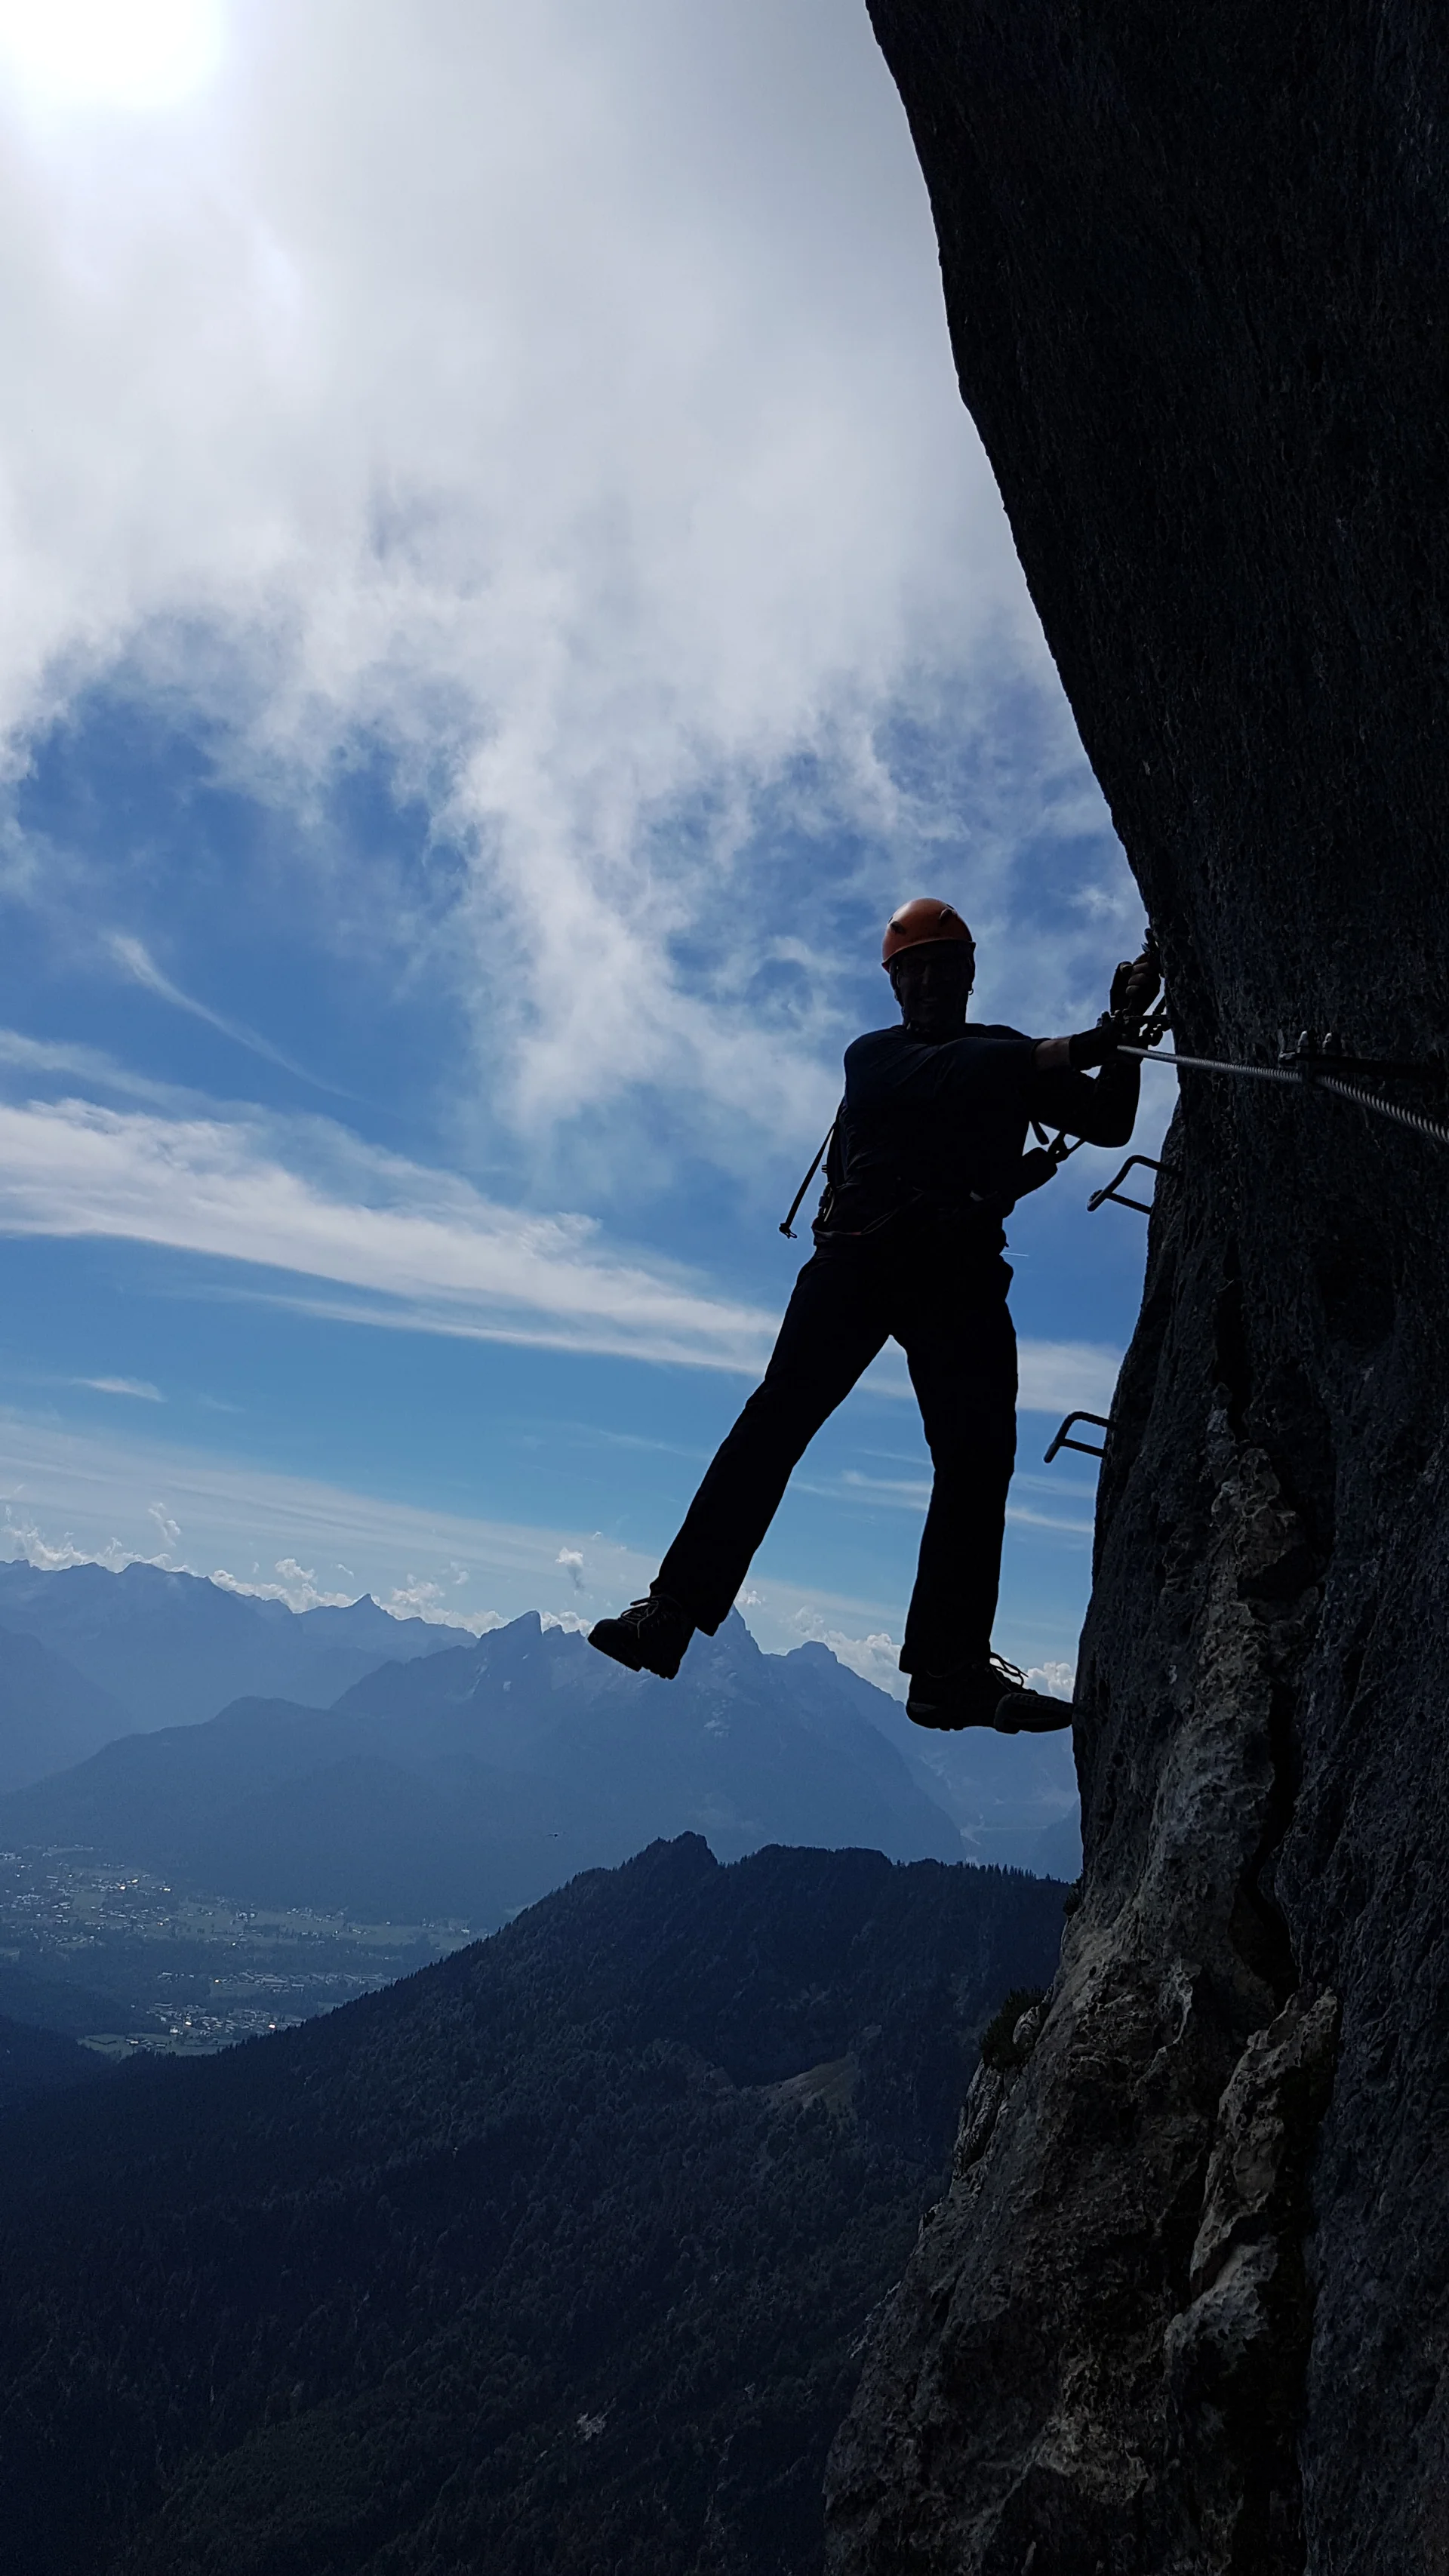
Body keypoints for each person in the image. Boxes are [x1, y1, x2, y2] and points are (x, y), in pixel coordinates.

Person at [589, 897, 1160, 1731]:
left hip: (953, 1269)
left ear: (966, 973)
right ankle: (672, 1607)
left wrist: (1127, 1030)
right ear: (894, 984)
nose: (926, 981)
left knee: (975, 1458)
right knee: (776, 1421)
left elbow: (1109, 1123)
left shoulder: (1009, 1054)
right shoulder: (877, 1057)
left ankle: (947, 1668)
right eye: (912, 969)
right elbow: (960, 1073)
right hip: (861, 1258)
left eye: (940, 966)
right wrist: (1084, 1043)